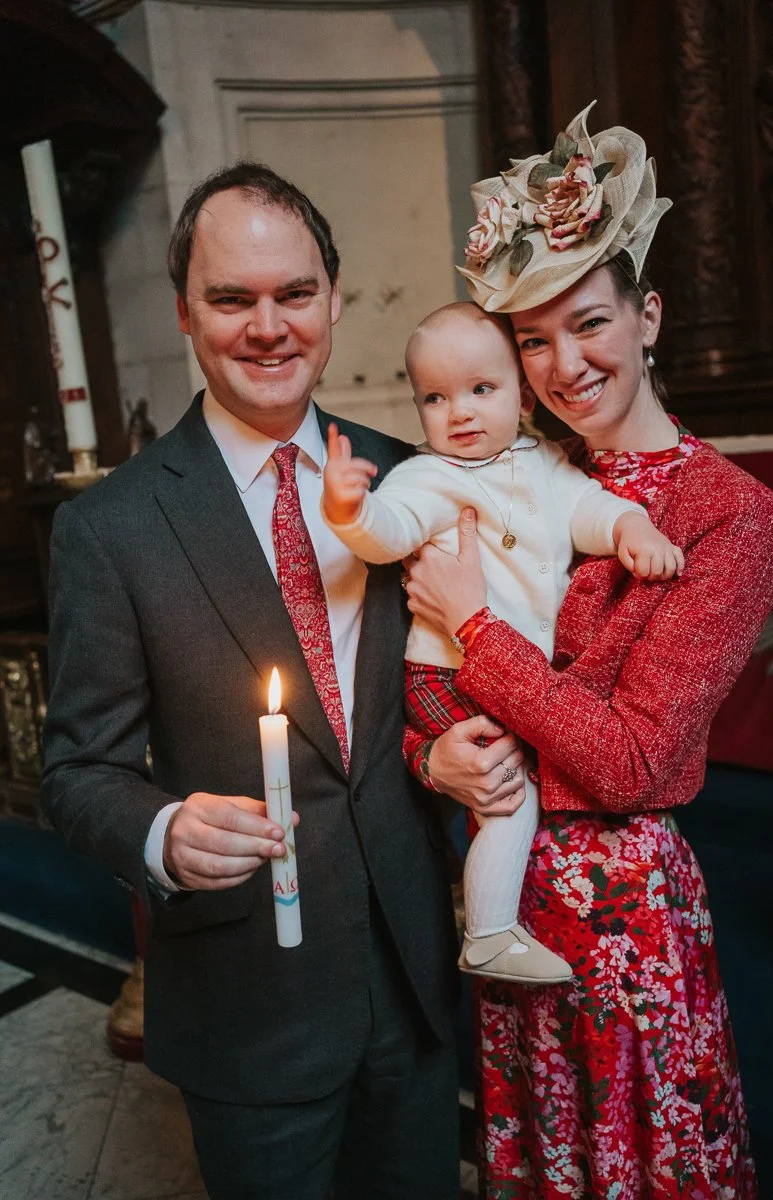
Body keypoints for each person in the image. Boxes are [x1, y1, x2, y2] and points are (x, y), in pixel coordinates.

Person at [40, 162, 501, 1200]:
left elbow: (439, 696)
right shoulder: (110, 530)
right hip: (251, 997)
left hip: (414, 977)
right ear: (185, 313)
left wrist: (463, 748)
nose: (267, 326)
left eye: (293, 294)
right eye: (230, 299)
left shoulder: (413, 480)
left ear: (333, 300)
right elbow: (77, 771)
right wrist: (162, 831)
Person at [403, 103, 773, 1198]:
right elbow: (413, 691)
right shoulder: (495, 473)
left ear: (647, 314)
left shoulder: (727, 513)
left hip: (623, 917)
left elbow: (636, 762)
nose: (562, 365)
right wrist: (436, 758)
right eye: (531, 340)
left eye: (588, 325)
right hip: (501, 902)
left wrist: (477, 629)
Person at [322, 300, 684, 988]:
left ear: (520, 392)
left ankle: (489, 921)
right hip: (448, 673)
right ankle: (488, 934)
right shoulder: (431, 476)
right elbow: (392, 530)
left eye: (480, 390)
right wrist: (351, 512)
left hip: (497, 668)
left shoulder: (541, 460)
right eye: (435, 396)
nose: (458, 412)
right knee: (510, 798)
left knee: (512, 795)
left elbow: (587, 508)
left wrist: (631, 527)